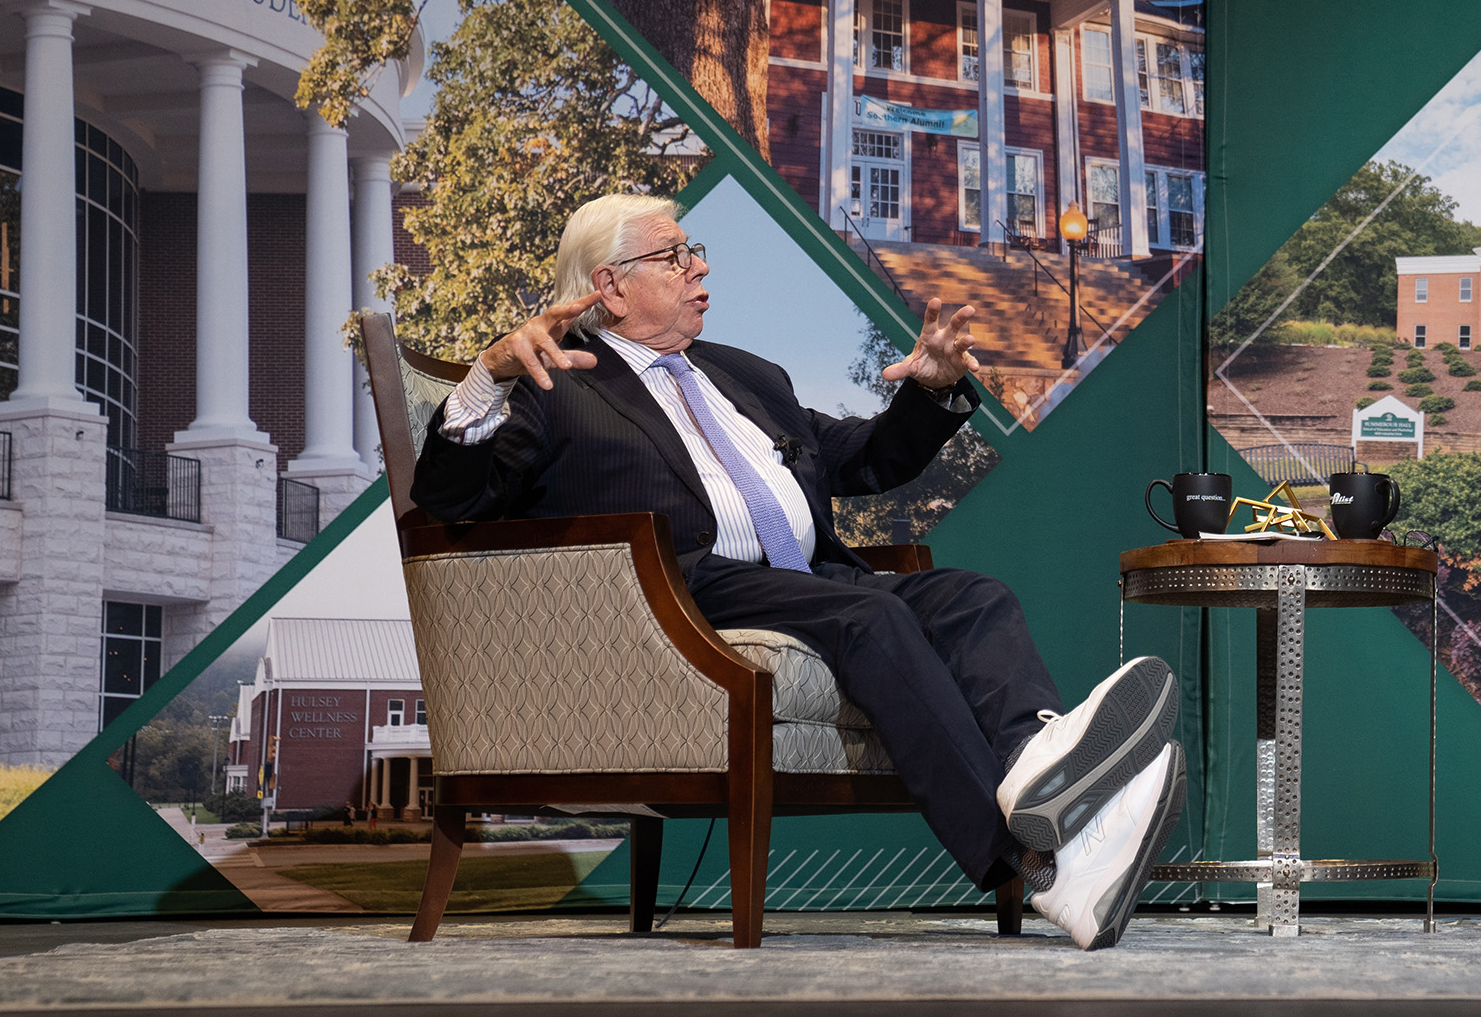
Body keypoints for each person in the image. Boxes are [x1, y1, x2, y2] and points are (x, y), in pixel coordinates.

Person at [410, 192, 1183, 949]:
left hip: (807, 582)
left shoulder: (748, 374)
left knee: (972, 596)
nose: (699, 267)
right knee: (872, 617)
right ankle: (1045, 863)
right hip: (680, 593)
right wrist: (488, 373)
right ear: (608, 286)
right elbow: (451, 502)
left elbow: (863, 457)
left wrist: (935, 388)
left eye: (695, 249)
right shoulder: (558, 386)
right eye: (674, 255)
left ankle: (1043, 770)